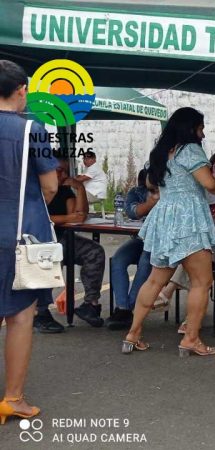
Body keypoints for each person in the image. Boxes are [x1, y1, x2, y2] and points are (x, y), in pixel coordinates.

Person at [123, 107, 215, 357]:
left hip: (164, 217)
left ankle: (132, 334)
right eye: (200, 128)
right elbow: (208, 182)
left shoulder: (162, 152)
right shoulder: (190, 150)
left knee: (154, 280)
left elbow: (150, 183)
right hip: (188, 219)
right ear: (190, 128)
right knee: (202, 281)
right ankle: (191, 339)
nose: (203, 134)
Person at [0, 59, 58, 424]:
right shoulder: (32, 129)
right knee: (21, 316)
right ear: (22, 90)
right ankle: (12, 399)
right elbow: (50, 184)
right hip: (20, 233)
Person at [158, 151, 215, 334]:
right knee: (196, 256)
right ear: (210, 170)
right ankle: (192, 318)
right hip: (204, 244)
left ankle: (168, 291)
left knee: (196, 256)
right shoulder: (202, 190)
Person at [43, 158, 106, 328]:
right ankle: (40, 310)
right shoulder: (36, 189)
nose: (63, 175)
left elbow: (80, 215)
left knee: (95, 252)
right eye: (59, 170)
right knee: (52, 254)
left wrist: (79, 188)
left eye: (65, 171)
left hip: (64, 237)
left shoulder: (64, 192)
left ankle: (90, 304)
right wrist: (66, 218)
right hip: (41, 239)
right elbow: (41, 218)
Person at [106, 168, 159, 330]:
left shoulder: (170, 193)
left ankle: (129, 308)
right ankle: (123, 308)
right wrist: (150, 202)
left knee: (145, 262)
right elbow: (132, 212)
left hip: (158, 241)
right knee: (118, 260)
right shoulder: (136, 192)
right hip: (140, 238)